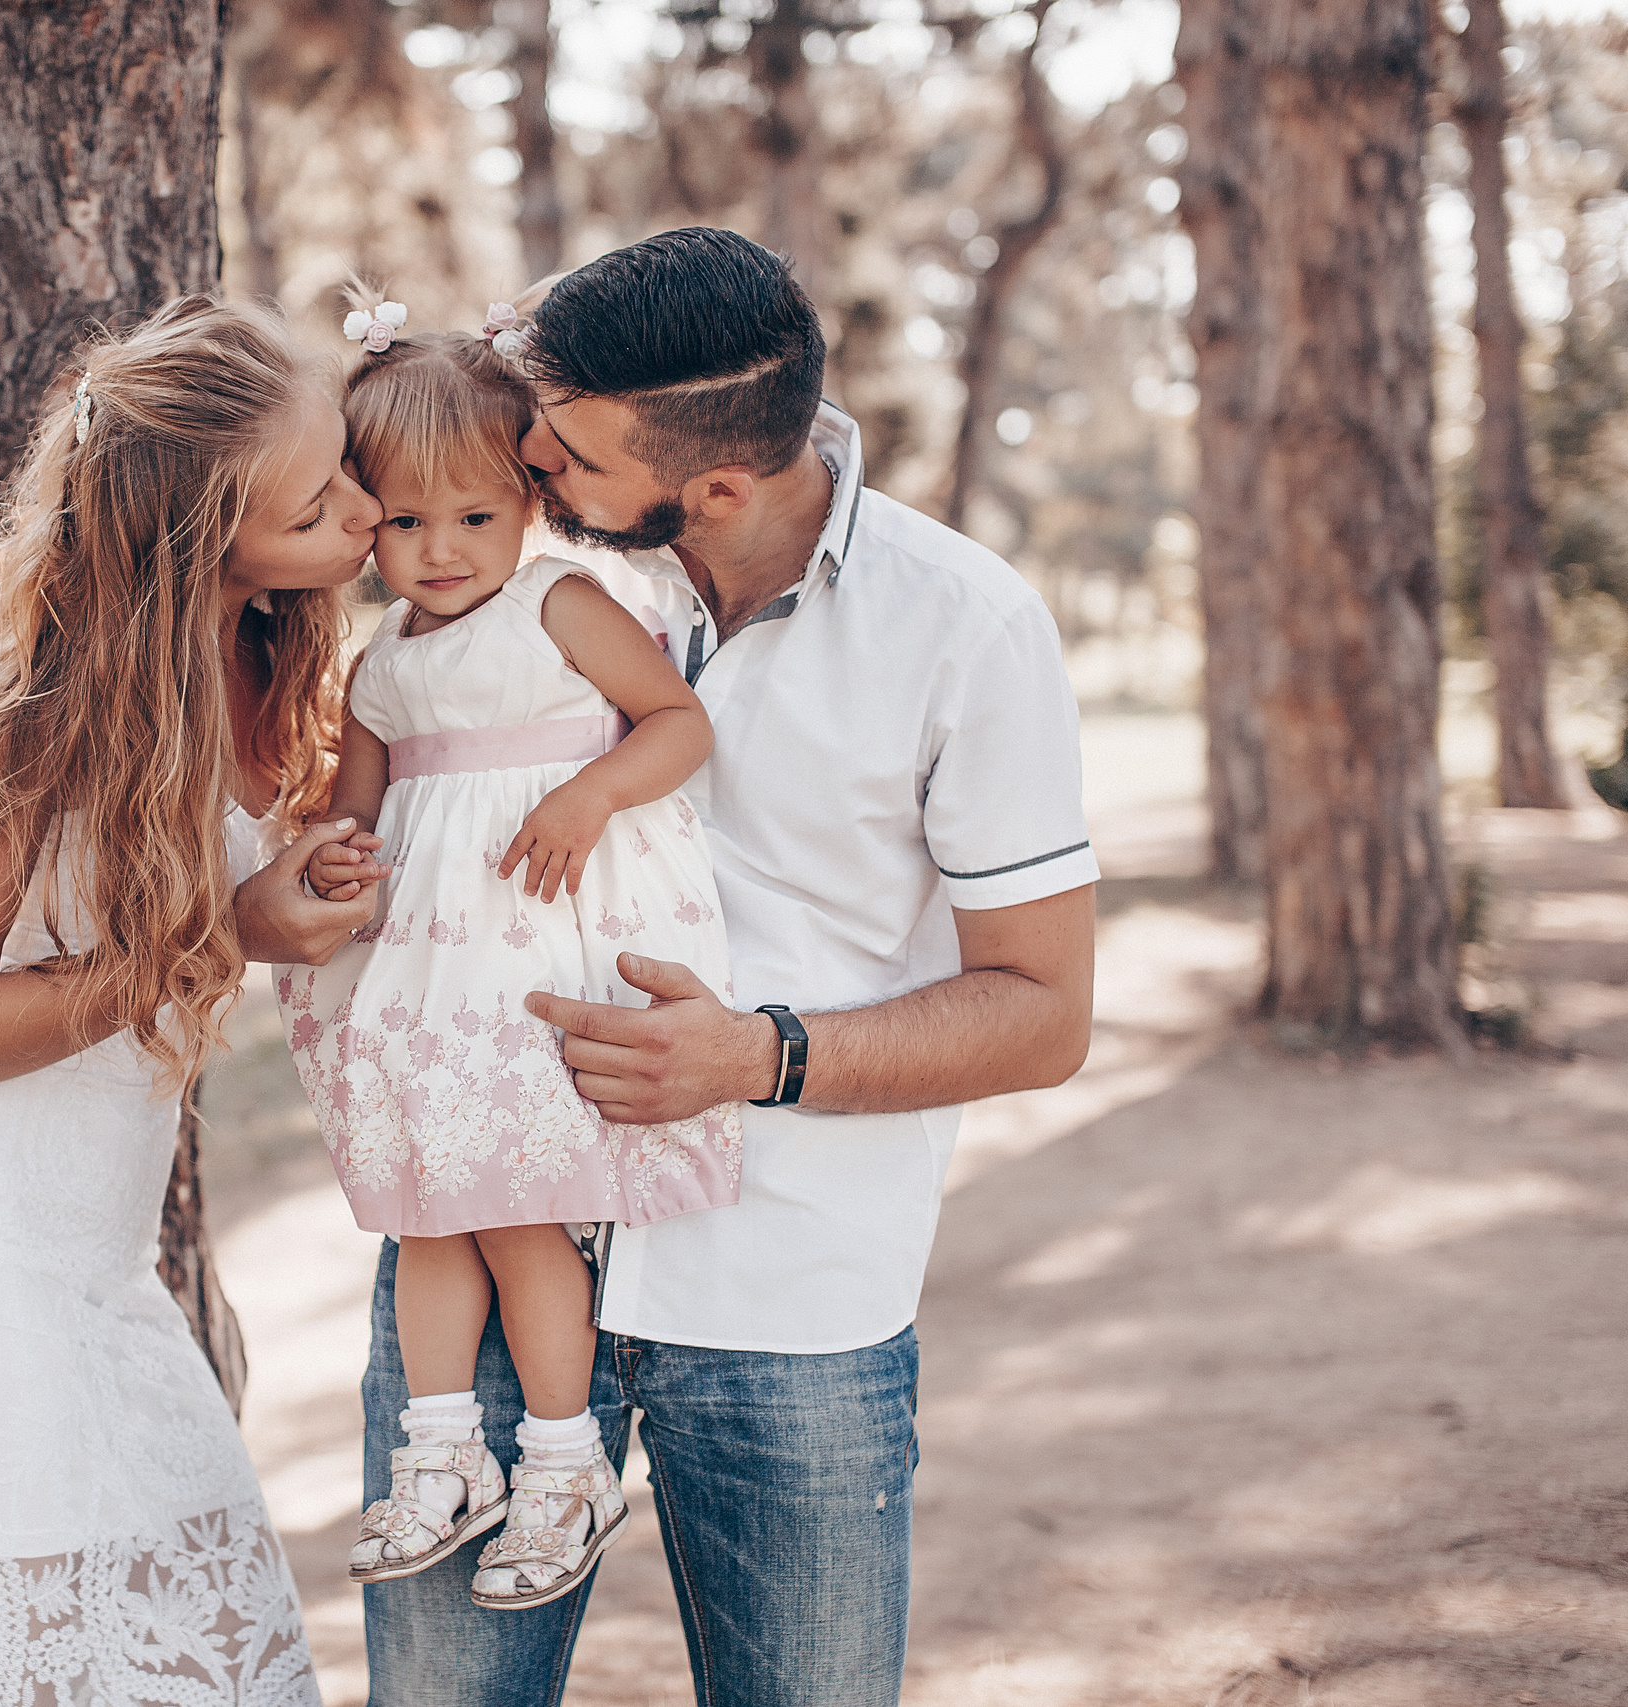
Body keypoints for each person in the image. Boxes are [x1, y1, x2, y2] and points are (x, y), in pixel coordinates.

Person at [357, 227, 1100, 1706]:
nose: (530, 468)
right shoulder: (500, 556)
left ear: (717, 488)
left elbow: (1044, 1013)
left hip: (790, 1312)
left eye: (561, 453)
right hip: (489, 1256)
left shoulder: (965, 628)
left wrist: (762, 1055)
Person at [0, 296, 389, 1707]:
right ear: (200, 546)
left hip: (83, 1266)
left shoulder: (256, 654)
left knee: (191, 1651)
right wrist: (226, 933)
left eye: (347, 469)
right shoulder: (42, 730)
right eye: (318, 507)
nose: (361, 516)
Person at [279, 301, 745, 1610]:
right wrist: (332, 860)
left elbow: (677, 724)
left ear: (524, 505)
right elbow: (354, 814)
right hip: (424, 982)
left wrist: (591, 795)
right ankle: (439, 1455)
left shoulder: (559, 601)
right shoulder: (381, 662)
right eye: (407, 521)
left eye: (474, 516)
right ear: (366, 516)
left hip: (535, 963)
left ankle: (564, 1462)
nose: (441, 551)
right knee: (434, 1213)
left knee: (525, 1214)